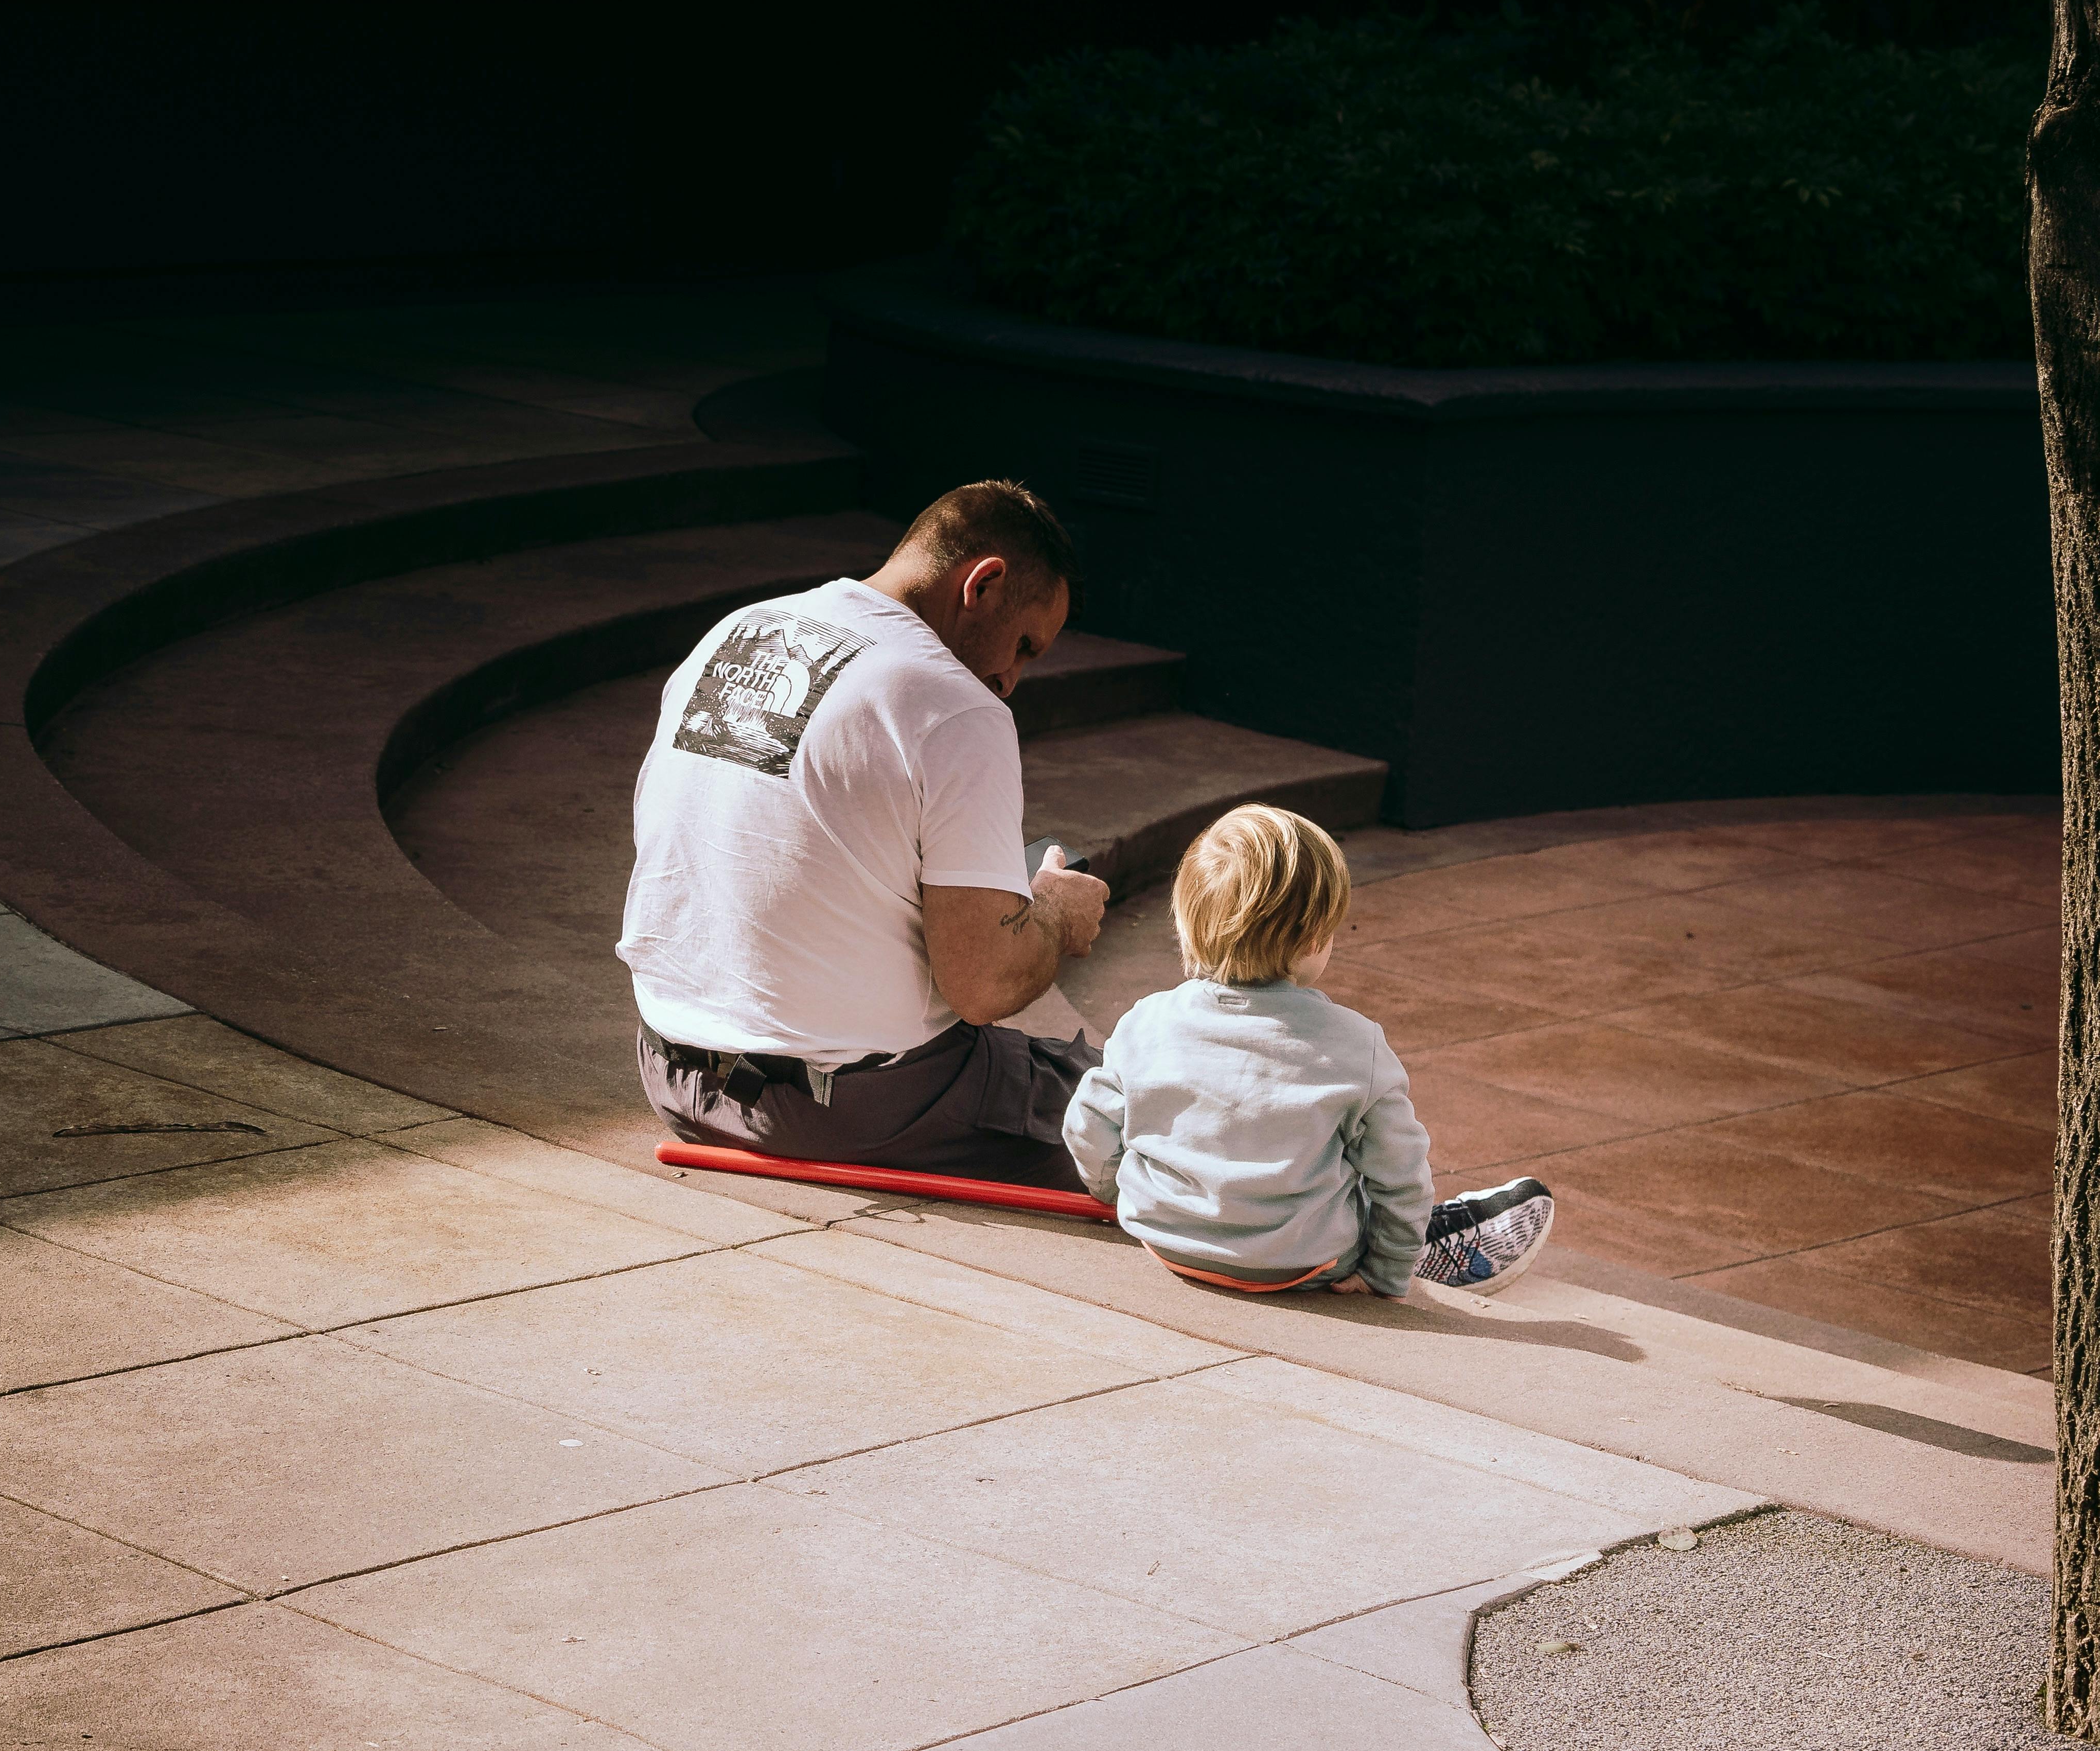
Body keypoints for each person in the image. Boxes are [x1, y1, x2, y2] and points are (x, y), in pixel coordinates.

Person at [621, 478, 1112, 1189]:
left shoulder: (739, 630)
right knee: (1150, 1114)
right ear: (984, 584)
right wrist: (1055, 917)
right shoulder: (957, 704)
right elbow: (981, 986)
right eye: (1026, 645)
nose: (1011, 677)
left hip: (675, 1078)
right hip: (845, 1109)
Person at [1063, 802, 1558, 1296]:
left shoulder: (1146, 1022)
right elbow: (1402, 1178)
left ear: (1187, 924)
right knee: (1357, 1173)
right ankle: (1439, 1244)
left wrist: (1113, 1192)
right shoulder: (1357, 1044)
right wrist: (1384, 1276)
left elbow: (1088, 1126)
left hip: (1166, 1242)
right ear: (1317, 938)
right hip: (1305, 1265)